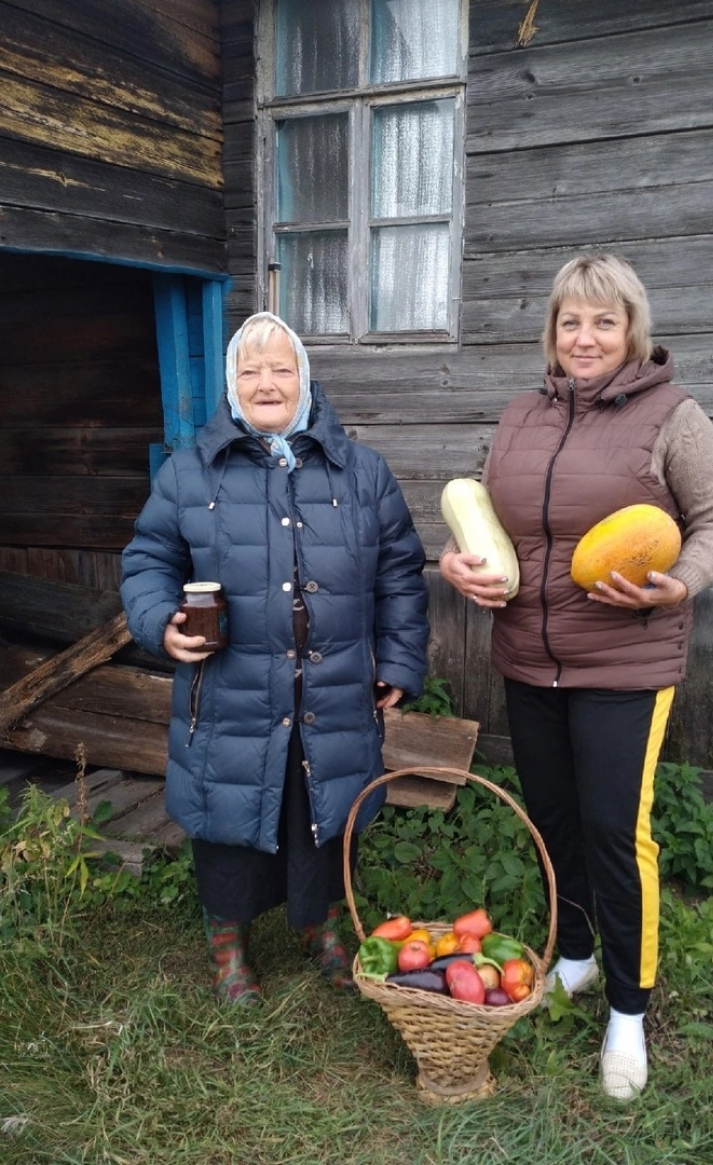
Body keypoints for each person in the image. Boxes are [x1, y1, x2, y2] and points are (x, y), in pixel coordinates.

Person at [440, 254, 713, 1100]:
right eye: (571, 320)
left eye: (603, 321)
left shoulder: (673, 417)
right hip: (528, 658)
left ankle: (628, 1010)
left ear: (631, 331)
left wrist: (680, 582)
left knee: (616, 832)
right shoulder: (519, 415)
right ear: (553, 331)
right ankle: (572, 956)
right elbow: (483, 517)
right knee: (555, 818)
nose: (585, 337)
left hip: (626, 663)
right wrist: (455, 561)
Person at [121, 312, 429, 1003]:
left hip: (334, 685)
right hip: (231, 690)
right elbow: (148, 558)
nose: (266, 382)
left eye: (281, 367)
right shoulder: (191, 471)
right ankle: (228, 944)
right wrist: (158, 622)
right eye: (250, 369)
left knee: (322, 811)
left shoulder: (361, 472)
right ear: (231, 384)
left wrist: (400, 660)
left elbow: (401, 573)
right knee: (227, 817)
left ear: (306, 380)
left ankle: (319, 923)